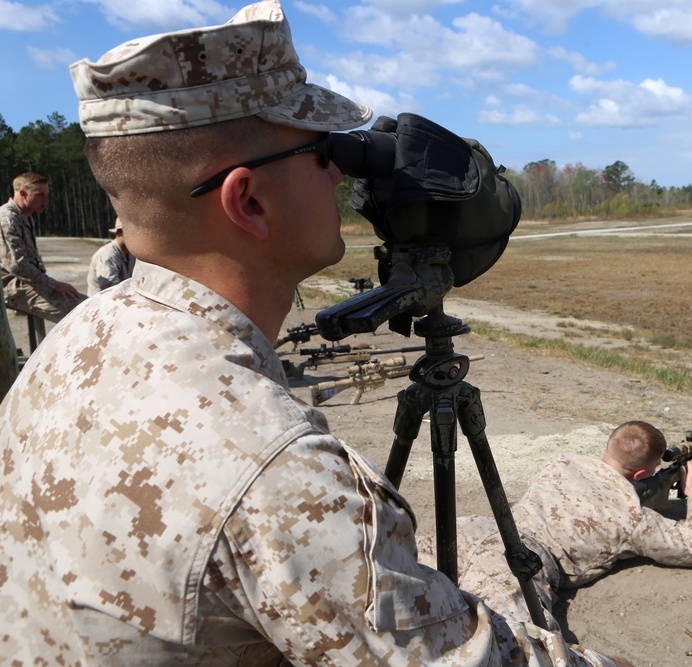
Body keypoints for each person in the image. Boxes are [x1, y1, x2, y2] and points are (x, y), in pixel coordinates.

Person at [0, 3, 630, 666]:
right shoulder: (275, 469)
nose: (338, 172)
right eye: (317, 151)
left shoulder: (74, 343)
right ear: (248, 201)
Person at [421, 421, 692, 630]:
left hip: (472, 529)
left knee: (392, 579)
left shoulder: (564, 462)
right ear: (640, 475)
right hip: (517, 563)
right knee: (522, 648)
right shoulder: (632, 516)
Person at [1, 172, 86, 322]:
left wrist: (50, 284)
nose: (46, 200)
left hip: (27, 283)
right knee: (81, 313)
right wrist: (53, 284)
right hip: (12, 288)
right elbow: (16, 265)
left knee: (87, 305)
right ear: (23, 193)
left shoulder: (24, 216)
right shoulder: (7, 218)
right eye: (40, 195)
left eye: (47, 194)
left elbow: (31, 258)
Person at [86, 217, 135, 295]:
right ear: (119, 233)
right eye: (130, 233)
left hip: (122, 298)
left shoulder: (132, 254)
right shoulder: (107, 255)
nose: (134, 237)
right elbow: (110, 290)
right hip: (102, 302)